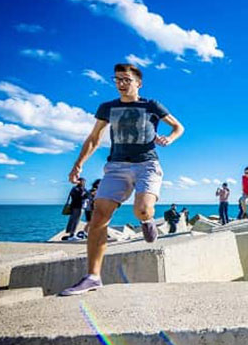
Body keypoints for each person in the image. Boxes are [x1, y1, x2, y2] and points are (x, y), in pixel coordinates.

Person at [60, 63, 184, 296]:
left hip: (147, 164)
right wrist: (78, 163)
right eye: (117, 79)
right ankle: (93, 277)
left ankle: (147, 222)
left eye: (126, 79)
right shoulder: (107, 107)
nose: (121, 84)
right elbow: (94, 137)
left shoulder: (151, 105)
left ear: (138, 83)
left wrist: (169, 138)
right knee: (98, 216)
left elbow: (179, 127)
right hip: (116, 167)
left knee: (143, 210)